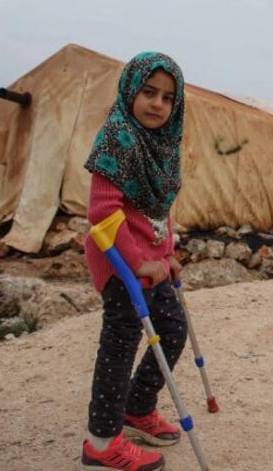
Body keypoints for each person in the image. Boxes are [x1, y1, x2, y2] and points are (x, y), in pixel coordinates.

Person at [81, 52, 188, 471]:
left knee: (173, 329)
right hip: (118, 263)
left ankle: (137, 409)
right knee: (120, 345)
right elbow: (102, 213)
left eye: (167, 98)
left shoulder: (163, 146)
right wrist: (139, 261)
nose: (157, 104)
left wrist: (166, 254)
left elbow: (160, 212)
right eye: (148, 92)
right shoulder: (117, 139)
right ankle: (101, 444)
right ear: (131, 90)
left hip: (151, 262)